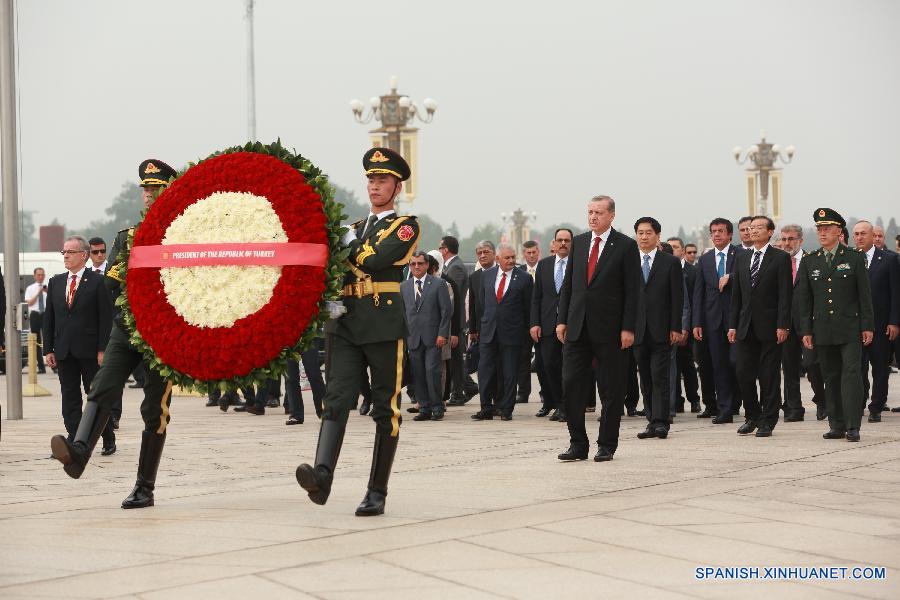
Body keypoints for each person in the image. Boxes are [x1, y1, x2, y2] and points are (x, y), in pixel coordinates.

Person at [49, 158, 179, 509]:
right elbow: (114, 283)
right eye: (146, 190)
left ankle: (144, 487)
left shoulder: (185, 236)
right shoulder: (128, 237)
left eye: (156, 189)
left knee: (156, 408)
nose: (149, 195)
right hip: (128, 327)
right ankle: (78, 453)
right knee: (103, 385)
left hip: (163, 335)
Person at [296, 147, 419, 517]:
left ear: (396, 187)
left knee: (386, 407)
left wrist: (348, 247)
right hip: (345, 321)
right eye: (371, 179)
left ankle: (376, 491)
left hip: (381, 323)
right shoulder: (351, 229)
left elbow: (377, 259)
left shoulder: (405, 225)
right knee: (335, 399)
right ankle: (322, 477)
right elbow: (331, 264)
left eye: (382, 180)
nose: (374, 186)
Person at [556, 196, 640, 462]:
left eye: (598, 212)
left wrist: (628, 328)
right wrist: (562, 319)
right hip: (577, 327)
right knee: (571, 385)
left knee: (611, 389)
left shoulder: (625, 246)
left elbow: (633, 292)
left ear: (611, 216)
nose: (593, 217)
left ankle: (606, 444)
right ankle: (577, 444)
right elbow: (569, 285)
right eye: (590, 212)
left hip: (611, 330)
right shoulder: (579, 243)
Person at [795, 208, 874, 442]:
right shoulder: (811, 260)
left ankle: (852, 425)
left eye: (827, 228)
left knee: (851, 375)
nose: (822, 232)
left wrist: (867, 326)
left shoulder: (854, 257)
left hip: (850, 328)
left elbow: (865, 296)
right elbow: (805, 299)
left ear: (839, 231)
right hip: (823, 329)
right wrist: (806, 330)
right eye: (819, 229)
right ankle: (836, 424)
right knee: (830, 376)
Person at [43, 236, 114, 451]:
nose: (65, 255)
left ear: (84, 255)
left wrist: (103, 349)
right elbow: (50, 318)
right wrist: (48, 349)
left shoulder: (97, 281)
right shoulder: (56, 282)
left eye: (70, 252)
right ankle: (74, 439)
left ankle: (107, 436)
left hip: (91, 351)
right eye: (63, 252)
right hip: (64, 350)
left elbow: (106, 318)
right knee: (70, 396)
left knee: (95, 395)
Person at [727, 216, 792, 437]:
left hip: (771, 327)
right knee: (743, 373)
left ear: (770, 231)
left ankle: (768, 420)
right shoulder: (742, 258)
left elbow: (785, 294)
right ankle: (752, 415)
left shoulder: (780, 258)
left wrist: (783, 324)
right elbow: (737, 296)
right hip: (745, 326)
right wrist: (732, 325)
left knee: (769, 376)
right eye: (750, 228)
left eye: (758, 227)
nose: (753, 231)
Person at [470, 244, 533, 421]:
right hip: (489, 332)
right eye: (507, 258)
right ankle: (486, 408)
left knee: (509, 372)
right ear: (498, 259)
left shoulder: (524, 279)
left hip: (512, 334)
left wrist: (527, 333)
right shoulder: (486, 276)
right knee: (485, 371)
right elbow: (482, 304)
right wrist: (479, 328)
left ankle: (506, 408)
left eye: (513, 257)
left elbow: (528, 309)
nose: (511, 260)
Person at [633, 218, 683, 439]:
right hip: (637, 330)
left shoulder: (669, 262)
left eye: (648, 233)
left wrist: (676, 326)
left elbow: (677, 297)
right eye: (640, 233)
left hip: (662, 329)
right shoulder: (629, 261)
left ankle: (661, 422)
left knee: (659, 376)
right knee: (645, 377)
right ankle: (651, 420)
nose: (644, 237)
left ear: (657, 236)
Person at [692, 218, 743, 424]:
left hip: (736, 319)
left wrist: (731, 275)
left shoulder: (741, 255)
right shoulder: (705, 260)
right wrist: (696, 322)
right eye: (713, 232)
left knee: (737, 363)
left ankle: (743, 402)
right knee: (719, 365)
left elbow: (750, 275)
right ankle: (725, 409)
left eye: (721, 231)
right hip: (712, 320)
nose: (717, 235)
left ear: (730, 234)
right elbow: (699, 294)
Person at [852, 221, 899, 422]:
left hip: (881, 325)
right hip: (855, 326)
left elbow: (896, 294)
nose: (860, 237)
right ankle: (859, 402)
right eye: (856, 234)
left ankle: (876, 406)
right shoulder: (850, 259)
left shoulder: (889, 260)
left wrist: (894, 321)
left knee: (880, 368)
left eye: (864, 233)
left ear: (873, 236)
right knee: (856, 368)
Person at [779, 224, 826, 421]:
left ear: (801, 240)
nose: (787, 243)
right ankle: (794, 408)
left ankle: (822, 400)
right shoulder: (778, 262)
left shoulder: (812, 261)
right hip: (784, 323)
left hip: (808, 323)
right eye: (784, 239)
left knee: (811, 364)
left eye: (791, 239)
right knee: (789, 368)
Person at [401, 251, 451, 421]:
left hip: (433, 338)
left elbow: (446, 311)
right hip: (413, 338)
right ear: (409, 266)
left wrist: (443, 334)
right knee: (418, 374)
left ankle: (437, 406)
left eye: (420, 263)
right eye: (413, 263)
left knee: (432, 371)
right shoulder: (404, 286)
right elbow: (402, 314)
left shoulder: (439, 284)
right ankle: (424, 408)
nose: (416, 266)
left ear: (427, 265)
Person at [530, 228, 572, 421]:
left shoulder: (578, 264)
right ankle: (556, 403)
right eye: (559, 240)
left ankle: (567, 406)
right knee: (548, 365)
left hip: (571, 326)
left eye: (567, 240)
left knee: (569, 368)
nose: (563, 243)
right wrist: (534, 323)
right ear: (554, 243)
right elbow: (536, 297)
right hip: (547, 326)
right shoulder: (544, 265)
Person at [438, 235, 474, 404]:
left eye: (440, 248)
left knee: (456, 360)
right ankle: (467, 387)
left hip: (455, 322)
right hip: (452, 322)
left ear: (445, 250)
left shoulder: (456, 268)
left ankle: (458, 392)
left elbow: (455, 299)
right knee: (454, 359)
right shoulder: (451, 266)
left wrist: (455, 328)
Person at [667, 236, 701, 413]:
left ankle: (694, 399)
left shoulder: (692, 271)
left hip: (685, 326)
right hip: (668, 327)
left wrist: (687, 326)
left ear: (681, 250)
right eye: (670, 247)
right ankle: (676, 402)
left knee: (686, 365)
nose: (673, 250)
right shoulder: (666, 266)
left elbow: (691, 301)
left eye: (676, 247)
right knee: (672, 368)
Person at [516, 240, 544, 404]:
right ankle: (523, 391)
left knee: (543, 360)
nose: (531, 255)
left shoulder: (545, 268)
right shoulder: (518, 272)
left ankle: (545, 391)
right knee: (523, 359)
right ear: (524, 254)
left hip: (544, 322)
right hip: (524, 323)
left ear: (538, 252)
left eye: (534, 252)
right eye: (528, 253)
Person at [23, 267, 48, 374]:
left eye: (42, 274)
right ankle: (41, 367)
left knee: (48, 339)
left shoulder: (48, 287)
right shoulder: (30, 288)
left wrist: (48, 292)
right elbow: (29, 303)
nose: (41, 277)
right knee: (36, 341)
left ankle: (54, 365)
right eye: (38, 275)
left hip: (46, 315)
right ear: (34, 276)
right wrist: (38, 293)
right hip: (35, 315)